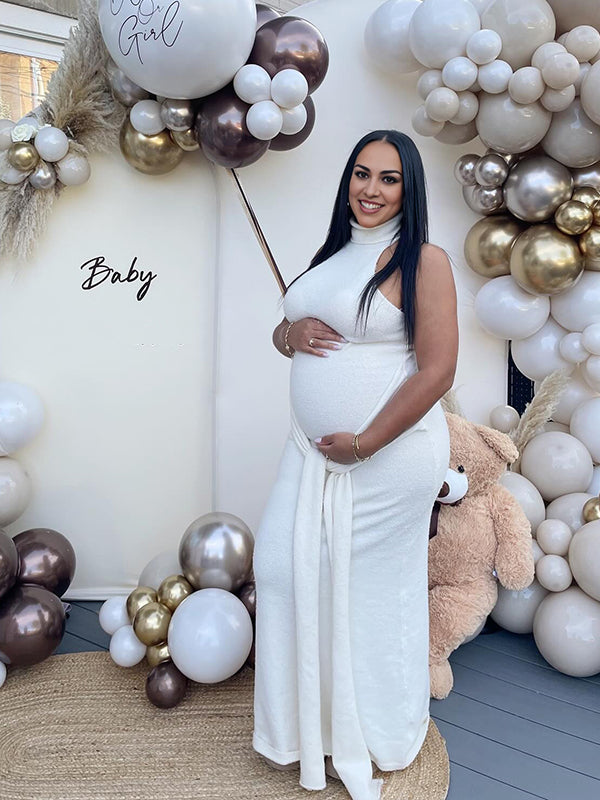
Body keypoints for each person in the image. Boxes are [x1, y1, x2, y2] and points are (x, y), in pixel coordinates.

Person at [252, 129, 458, 800]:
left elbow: (438, 371)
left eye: (388, 179)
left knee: (365, 593)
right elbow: (287, 332)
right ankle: (303, 728)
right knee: (280, 568)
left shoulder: (423, 260)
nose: (371, 189)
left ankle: (372, 733)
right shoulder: (335, 253)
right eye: (361, 174)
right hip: (312, 453)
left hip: (388, 458)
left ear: (408, 189)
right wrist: (289, 333)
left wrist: (365, 442)